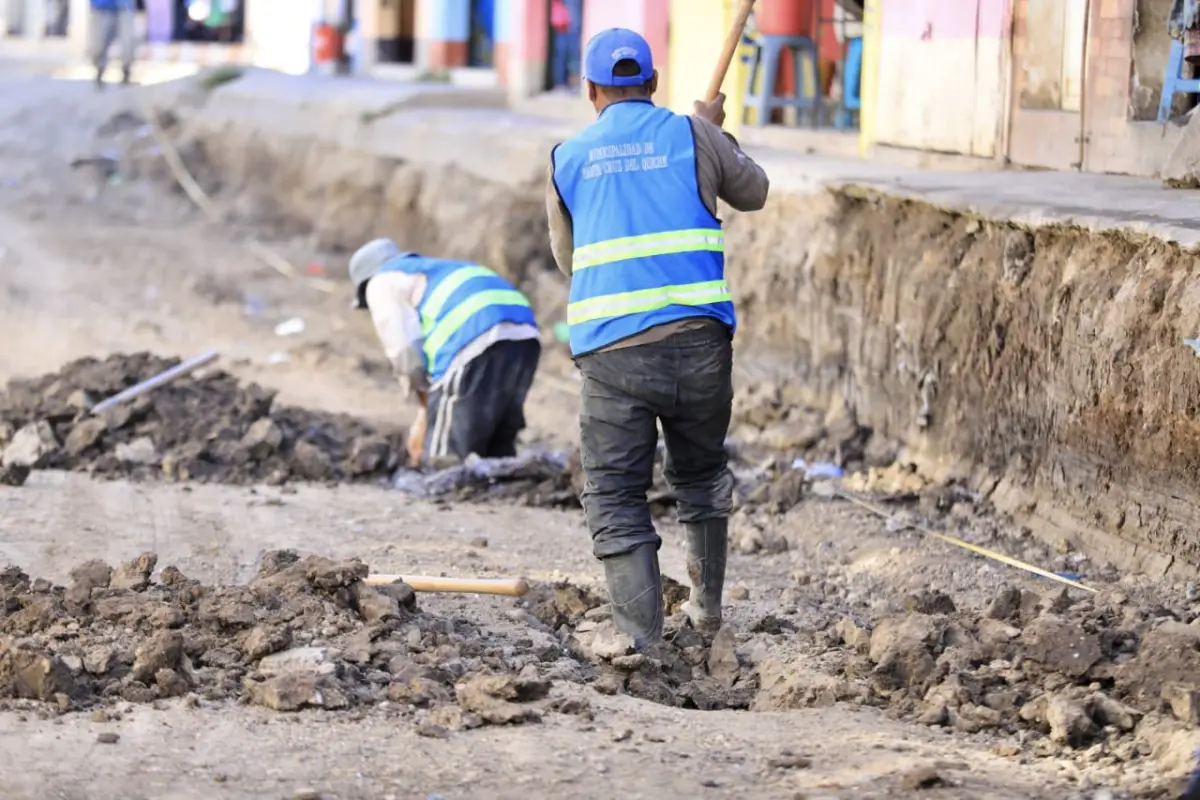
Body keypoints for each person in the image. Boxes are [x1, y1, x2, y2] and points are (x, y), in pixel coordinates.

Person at [546, 28, 769, 650]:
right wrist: (713, 133)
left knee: (616, 495)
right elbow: (753, 191)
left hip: (613, 354)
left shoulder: (567, 158)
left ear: (590, 90)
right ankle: (707, 619)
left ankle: (640, 646)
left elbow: (570, 261)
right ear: (652, 83)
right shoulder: (692, 135)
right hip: (701, 345)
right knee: (700, 480)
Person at [348, 239, 541, 464]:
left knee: (445, 456)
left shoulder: (381, 281)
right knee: (496, 447)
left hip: (474, 336)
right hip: (525, 334)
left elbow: (405, 353)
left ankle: (444, 486)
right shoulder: (436, 269)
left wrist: (425, 416)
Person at [90, 0, 136, 89]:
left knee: (128, 43)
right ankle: (99, 71)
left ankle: (126, 72)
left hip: (125, 7)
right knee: (100, 45)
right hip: (103, 7)